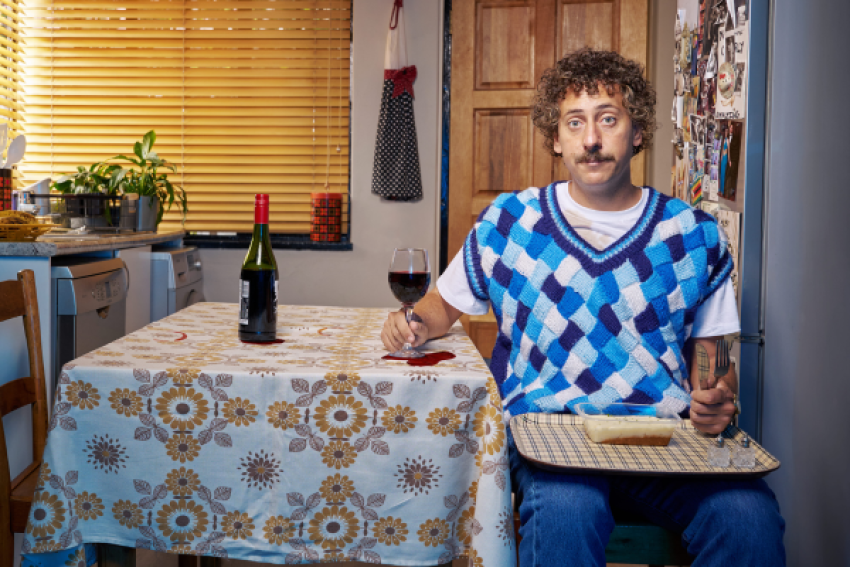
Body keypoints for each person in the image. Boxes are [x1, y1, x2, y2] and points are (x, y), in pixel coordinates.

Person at [382, 48, 785, 566]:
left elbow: (713, 364)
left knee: (748, 517)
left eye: (608, 120)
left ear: (637, 131)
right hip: (551, 442)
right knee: (568, 514)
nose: (591, 139)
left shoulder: (691, 236)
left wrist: (717, 395)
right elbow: (442, 307)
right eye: (575, 123)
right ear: (556, 137)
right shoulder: (512, 223)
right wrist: (411, 322)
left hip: (665, 442)